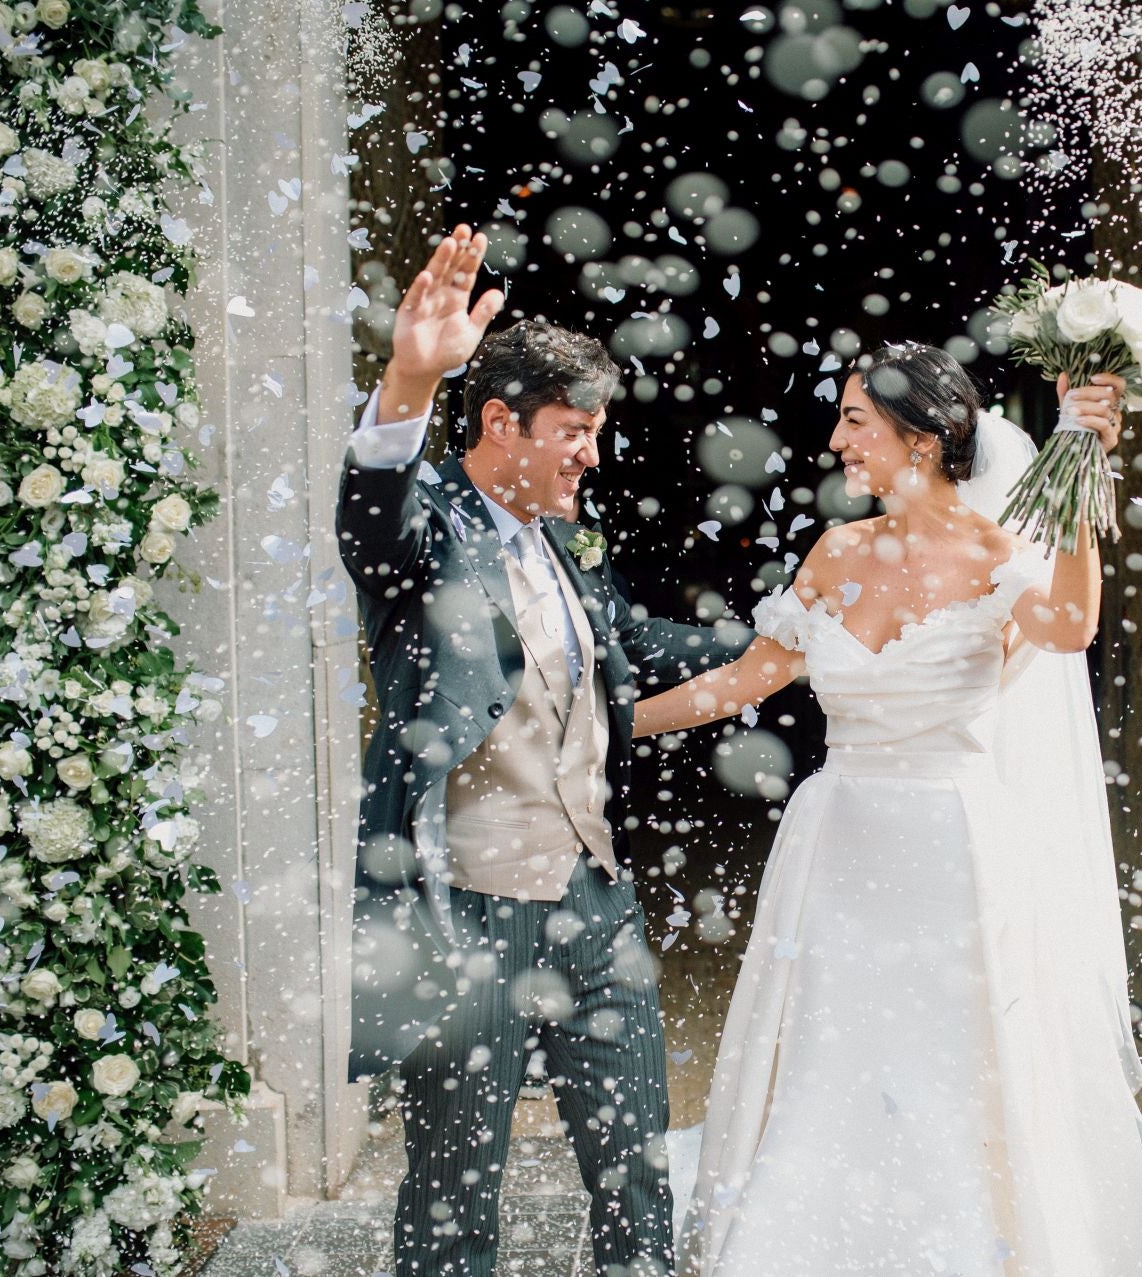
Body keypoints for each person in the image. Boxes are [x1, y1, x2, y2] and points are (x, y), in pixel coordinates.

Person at [635, 344, 1142, 1276]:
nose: (837, 437)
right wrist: (597, 730)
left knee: (948, 1066)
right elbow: (745, 680)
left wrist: (1088, 471)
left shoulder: (996, 553)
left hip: (955, 850)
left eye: (856, 419)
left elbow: (1070, 628)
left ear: (920, 438)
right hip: (837, 842)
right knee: (828, 1058)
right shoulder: (837, 550)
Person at [336, 225, 748, 1277]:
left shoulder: (570, 540)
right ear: (496, 423)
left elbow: (635, 648)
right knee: (454, 1187)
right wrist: (404, 379)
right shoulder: (424, 534)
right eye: (573, 429)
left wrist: (786, 633)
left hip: (594, 893)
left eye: (597, 430)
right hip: (466, 901)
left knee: (634, 1167)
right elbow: (369, 510)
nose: (591, 454)